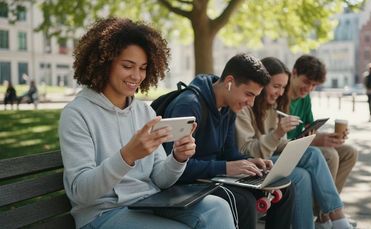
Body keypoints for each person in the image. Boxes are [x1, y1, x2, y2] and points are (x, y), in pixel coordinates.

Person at [59, 17, 235, 229]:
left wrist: (178, 158)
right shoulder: (77, 114)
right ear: (103, 63)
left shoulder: (143, 111)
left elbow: (160, 179)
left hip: (147, 203)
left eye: (143, 68)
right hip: (102, 213)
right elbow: (81, 192)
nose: (137, 76)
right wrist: (127, 156)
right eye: (127, 66)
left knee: (217, 207)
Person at [163, 53, 295, 229]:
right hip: (184, 184)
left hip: (210, 177)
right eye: (249, 94)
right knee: (243, 201)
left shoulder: (228, 108)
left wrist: (250, 162)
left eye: (255, 96)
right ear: (229, 82)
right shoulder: (188, 105)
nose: (251, 103)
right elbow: (171, 168)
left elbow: (229, 152)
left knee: (284, 190)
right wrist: (226, 167)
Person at [236, 57, 354, 229]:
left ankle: (329, 218)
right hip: (251, 165)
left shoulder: (269, 106)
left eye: (283, 87)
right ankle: (335, 217)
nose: (280, 92)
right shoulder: (245, 107)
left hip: (267, 159)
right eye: (276, 86)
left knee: (307, 170)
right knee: (314, 157)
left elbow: (281, 141)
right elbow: (248, 151)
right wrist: (278, 133)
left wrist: (297, 142)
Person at [286, 55, 358, 226]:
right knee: (329, 155)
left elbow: (308, 130)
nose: (309, 88)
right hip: (286, 148)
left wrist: (329, 138)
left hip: (302, 145)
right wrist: (318, 141)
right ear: (294, 73)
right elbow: (284, 139)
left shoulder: (305, 98)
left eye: (314, 85)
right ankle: (327, 216)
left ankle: (325, 212)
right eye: (307, 82)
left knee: (349, 152)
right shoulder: (282, 94)